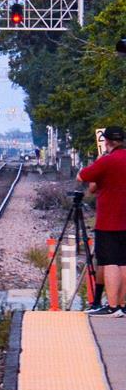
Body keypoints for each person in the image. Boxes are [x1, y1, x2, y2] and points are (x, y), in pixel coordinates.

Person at [79, 126, 126, 315]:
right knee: (124, 263)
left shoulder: (107, 161)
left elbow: (82, 176)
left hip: (109, 220)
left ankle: (112, 306)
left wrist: (99, 161)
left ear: (106, 141)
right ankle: (123, 306)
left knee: (109, 262)